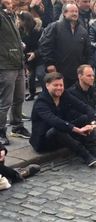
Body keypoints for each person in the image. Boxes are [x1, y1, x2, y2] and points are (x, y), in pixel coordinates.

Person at [30, 72, 96, 167]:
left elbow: (85, 107)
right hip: (44, 141)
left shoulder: (64, 94)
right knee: (57, 129)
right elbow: (54, 121)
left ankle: (93, 151)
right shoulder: (41, 102)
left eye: (61, 85)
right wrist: (77, 130)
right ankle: (85, 155)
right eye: (56, 85)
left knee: (84, 118)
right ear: (47, 85)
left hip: (63, 134)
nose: (59, 88)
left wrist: (93, 124)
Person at [39, 3, 91, 89]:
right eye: (72, 11)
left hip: (77, 74)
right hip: (58, 71)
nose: (74, 14)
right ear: (64, 13)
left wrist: (88, 66)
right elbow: (45, 46)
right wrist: (49, 64)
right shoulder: (54, 27)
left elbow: (88, 51)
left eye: (76, 11)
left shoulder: (83, 31)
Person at [0, 6, 31, 145]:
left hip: (17, 63)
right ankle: (1, 132)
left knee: (19, 98)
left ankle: (17, 126)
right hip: (5, 65)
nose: (11, 2)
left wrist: (23, 62)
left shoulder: (10, 16)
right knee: (5, 102)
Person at [17, 11, 45, 101]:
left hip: (40, 56)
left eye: (19, 19)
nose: (17, 21)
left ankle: (46, 93)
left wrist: (35, 54)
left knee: (40, 74)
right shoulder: (19, 31)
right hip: (28, 58)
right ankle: (32, 93)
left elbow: (44, 46)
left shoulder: (39, 30)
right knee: (30, 77)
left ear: (25, 21)